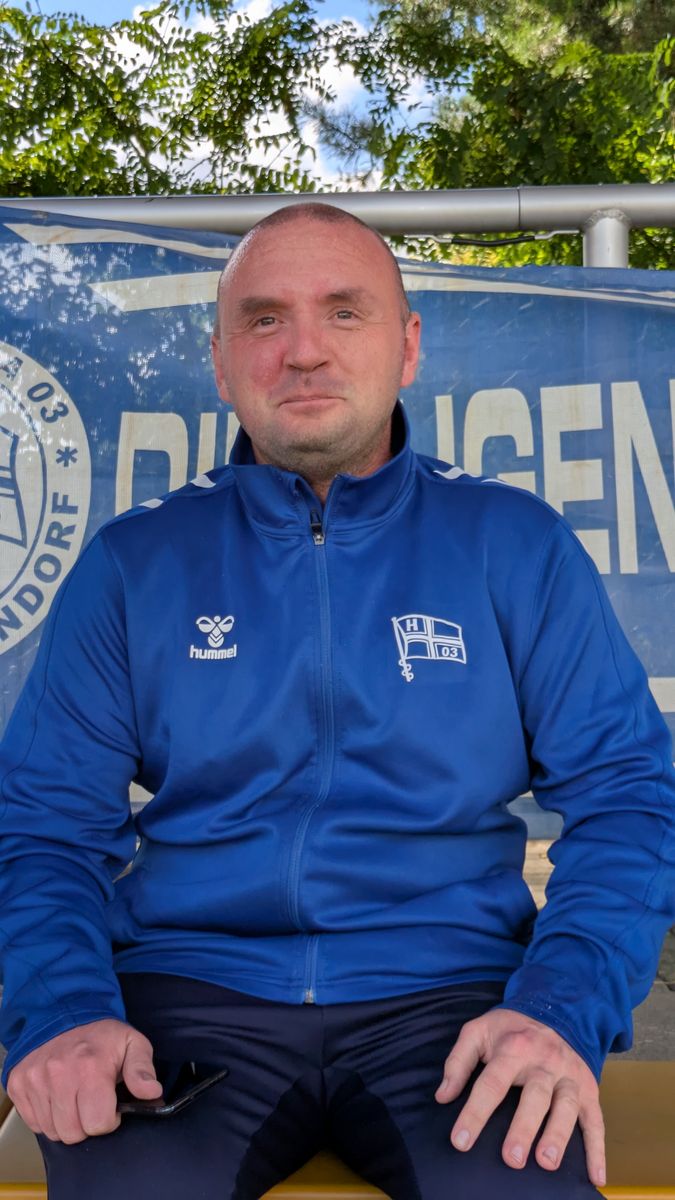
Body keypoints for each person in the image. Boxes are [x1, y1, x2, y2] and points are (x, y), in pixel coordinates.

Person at [1, 202, 674, 1200]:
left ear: (408, 347)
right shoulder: (134, 564)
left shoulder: (514, 543)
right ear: (221, 362)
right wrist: (64, 1013)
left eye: (344, 312)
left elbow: (630, 798)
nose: (304, 350)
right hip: (185, 998)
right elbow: (43, 827)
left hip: (454, 999)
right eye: (264, 319)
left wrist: (559, 1007)